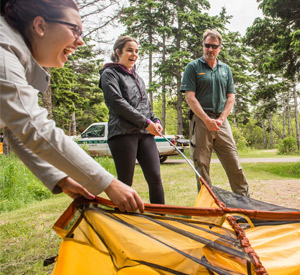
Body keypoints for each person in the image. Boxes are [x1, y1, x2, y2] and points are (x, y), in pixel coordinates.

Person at [0, 0, 144, 212]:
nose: (81, 42)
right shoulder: (4, 53)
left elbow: (15, 128)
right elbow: (33, 128)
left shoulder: (12, 52)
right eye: (75, 30)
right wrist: (108, 183)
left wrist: (60, 179)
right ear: (40, 26)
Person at [180, 29, 249, 197]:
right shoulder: (193, 67)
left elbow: (230, 98)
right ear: (202, 46)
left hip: (221, 121)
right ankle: (208, 205)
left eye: (214, 46)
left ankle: (245, 203)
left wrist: (220, 119)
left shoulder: (226, 69)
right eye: (207, 45)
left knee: (234, 163)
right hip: (201, 121)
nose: (210, 49)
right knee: (202, 166)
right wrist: (206, 120)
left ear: (220, 47)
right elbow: (190, 97)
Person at [99, 36, 165, 204]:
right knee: (125, 182)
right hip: (122, 133)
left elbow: (147, 107)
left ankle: (162, 218)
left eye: (136, 51)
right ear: (118, 52)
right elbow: (117, 103)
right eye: (129, 50)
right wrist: (146, 122)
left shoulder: (138, 78)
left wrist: (155, 121)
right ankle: (122, 221)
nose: (134, 54)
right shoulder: (109, 74)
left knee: (155, 178)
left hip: (145, 133)